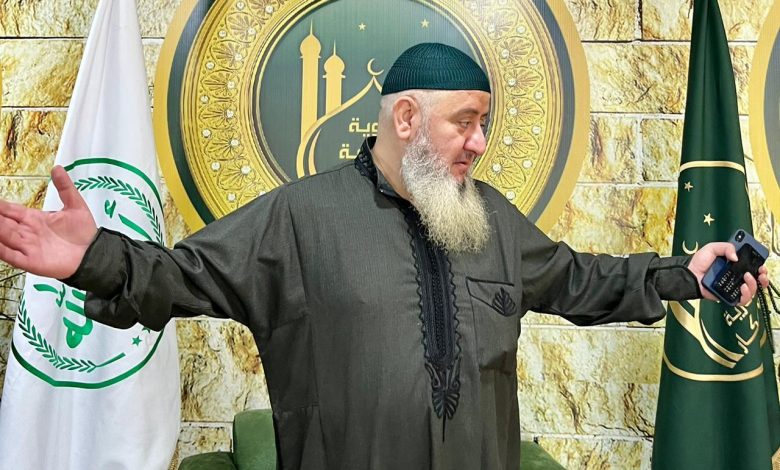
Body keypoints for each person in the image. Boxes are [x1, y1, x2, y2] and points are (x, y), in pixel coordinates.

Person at [0, 43, 768, 469]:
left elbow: (581, 279)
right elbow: (180, 276)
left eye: (485, 124)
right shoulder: (299, 217)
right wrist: (95, 256)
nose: (480, 142)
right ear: (406, 118)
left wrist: (687, 276)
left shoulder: (491, 219)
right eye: (466, 121)